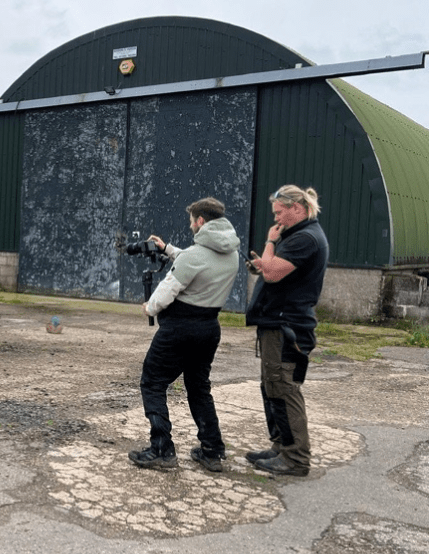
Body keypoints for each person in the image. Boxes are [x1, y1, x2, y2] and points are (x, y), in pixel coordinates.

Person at [128, 197, 241, 472]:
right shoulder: (231, 253)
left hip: (180, 329)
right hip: (209, 329)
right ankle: (212, 449)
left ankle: (162, 449)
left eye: (192, 220)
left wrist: (150, 307)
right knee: (199, 388)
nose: (191, 225)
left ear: (201, 221)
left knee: (153, 382)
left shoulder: (194, 255)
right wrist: (167, 248)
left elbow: (168, 289)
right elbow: (197, 262)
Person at [244, 185, 329, 477]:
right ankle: (281, 446)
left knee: (283, 388)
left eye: (280, 212)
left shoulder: (304, 238)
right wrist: (266, 262)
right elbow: (274, 271)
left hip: (287, 326)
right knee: (272, 388)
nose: (276, 219)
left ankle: (295, 458)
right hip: (279, 323)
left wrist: (269, 243)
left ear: (298, 207)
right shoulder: (300, 235)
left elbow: (271, 272)